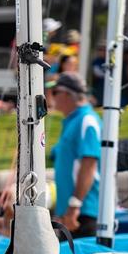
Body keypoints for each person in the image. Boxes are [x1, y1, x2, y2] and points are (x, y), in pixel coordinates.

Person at [47, 73, 102, 238]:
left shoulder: (87, 121)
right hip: (71, 212)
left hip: (83, 212)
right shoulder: (73, 121)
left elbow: (89, 165)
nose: (51, 96)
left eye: (55, 92)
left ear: (67, 94)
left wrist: (74, 206)